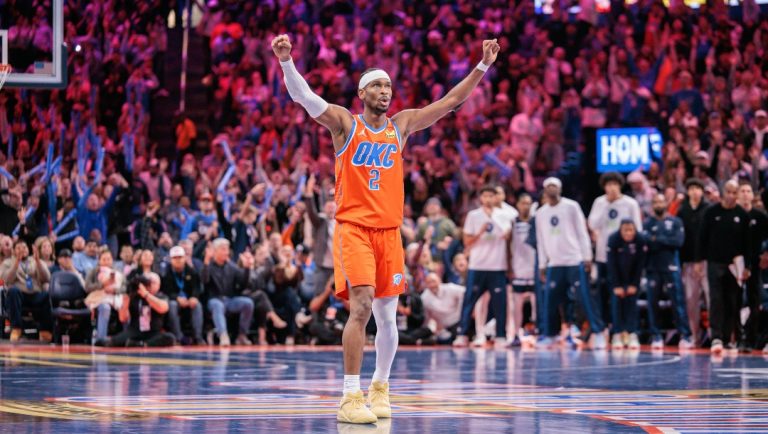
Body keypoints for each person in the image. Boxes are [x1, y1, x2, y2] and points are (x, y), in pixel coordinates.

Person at [272, 33, 500, 423]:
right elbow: (305, 100)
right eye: (377, 85)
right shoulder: (346, 123)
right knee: (360, 307)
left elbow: (449, 103)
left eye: (389, 85)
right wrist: (286, 62)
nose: (385, 91)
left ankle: (380, 386)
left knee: (388, 318)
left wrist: (481, 66)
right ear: (362, 92)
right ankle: (348, 396)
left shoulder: (401, 125)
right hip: (354, 229)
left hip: (389, 232)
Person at [535, 178, 603, 349]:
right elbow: (540, 240)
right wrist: (542, 263)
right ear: (544, 190)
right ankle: (550, 334)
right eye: (549, 186)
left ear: (560, 189)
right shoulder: (540, 213)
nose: (552, 189)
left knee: (583, 297)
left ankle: (598, 331)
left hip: (574, 259)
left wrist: (587, 256)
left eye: (555, 186)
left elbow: (581, 232)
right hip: (554, 263)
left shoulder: (571, 206)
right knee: (550, 300)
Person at [453, 185, 511, 349]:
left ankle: (501, 336)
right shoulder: (473, 216)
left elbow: (508, 239)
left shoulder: (504, 215)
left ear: (496, 198)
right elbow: (466, 242)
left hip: (498, 266)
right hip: (477, 265)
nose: (488, 199)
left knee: (500, 304)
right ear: (480, 198)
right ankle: (462, 335)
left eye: (491, 196)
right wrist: (480, 232)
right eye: (485, 196)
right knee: (469, 301)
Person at [587, 172, 642, 338]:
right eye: (608, 185)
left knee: (623, 295)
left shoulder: (630, 203)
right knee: (602, 294)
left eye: (614, 184)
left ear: (620, 185)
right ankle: (605, 327)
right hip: (603, 255)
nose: (611, 188)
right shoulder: (599, 202)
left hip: (625, 258)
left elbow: (638, 229)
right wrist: (606, 206)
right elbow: (592, 224)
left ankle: (626, 329)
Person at [699, 180, 750, 354]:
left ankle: (728, 338)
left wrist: (746, 267)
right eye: (728, 192)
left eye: (734, 192)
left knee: (732, 301)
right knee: (716, 300)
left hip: (735, 266)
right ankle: (716, 337)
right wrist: (700, 261)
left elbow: (747, 244)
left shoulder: (742, 215)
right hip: (715, 263)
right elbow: (702, 239)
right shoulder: (711, 213)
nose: (731, 196)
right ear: (722, 192)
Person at [644, 194, 694, 351]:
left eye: (661, 201)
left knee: (678, 302)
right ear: (652, 205)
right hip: (652, 267)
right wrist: (665, 240)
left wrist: (656, 239)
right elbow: (646, 242)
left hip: (671, 267)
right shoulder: (647, 223)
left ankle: (685, 335)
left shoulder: (675, 221)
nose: (658, 204)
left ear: (666, 203)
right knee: (653, 303)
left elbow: (678, 242)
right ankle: (656, 336)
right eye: (655, 201)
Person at [95, 273, 175, 347]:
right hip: (134, 331)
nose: (149, 285)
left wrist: (146, 295)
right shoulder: (133, 297)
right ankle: (133, 343)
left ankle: (142, 344)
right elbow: (123, 319)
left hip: (153, 332)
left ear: (159, 285)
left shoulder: (161, 296)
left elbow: (163, 308)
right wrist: (125, 304)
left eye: (153, 282)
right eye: (148, 282)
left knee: (169, 338)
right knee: (111, 342)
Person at [676, 178, 711, 345]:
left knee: (712, 299)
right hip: (688, 262)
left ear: (702, 191)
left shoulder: (709, 209)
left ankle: (714, 336)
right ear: (688, 191)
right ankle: (694, 337)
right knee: (691, 301)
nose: (695, 192)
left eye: (698, 188)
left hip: (707, 261)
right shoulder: (682, 211)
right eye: (692, 188)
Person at [201, 238, 254, 346]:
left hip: (230, 300)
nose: (226, 252)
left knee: (248, 303)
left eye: (227, 249)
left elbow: (243, 285)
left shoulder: (232, 266)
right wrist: (206, 262)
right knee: (218, 305)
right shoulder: (209, 266)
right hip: (214, 300)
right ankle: (223, 335)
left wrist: (247, 268)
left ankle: (242, 335)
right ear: (215, 251)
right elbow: (204, 281)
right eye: (223, 249)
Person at [0, 239, 53, 343]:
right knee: (13, 291)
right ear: (13, 251)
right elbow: (6, 279)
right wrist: (16, 264)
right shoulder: (7, 262)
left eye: (24, 247)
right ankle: (16, 328)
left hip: (34, 294)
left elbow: (46, 278)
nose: (22, 250)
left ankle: (45, 330)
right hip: (19, 295)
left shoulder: (36, 260)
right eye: (18, 248)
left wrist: (38, 262)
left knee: (46, 295)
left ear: (28, 250)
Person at [737, 183, 768, 352]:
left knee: (754, 302)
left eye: (748, 191)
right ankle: (735, 337)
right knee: (734, 302)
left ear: (752, 195)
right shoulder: (732, 213)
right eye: (742, 191)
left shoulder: (760, 216)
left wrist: (766, 254)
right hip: (734, 265)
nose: (745, 194)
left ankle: (750, 339)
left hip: (755, 265)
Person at [606, 219, 647, 350]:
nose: (629, 233)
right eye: (626, 230)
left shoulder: (640, 240)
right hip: (617, 278)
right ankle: (617, 334)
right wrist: (616, 285)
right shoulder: (613, 239)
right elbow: (611, 264)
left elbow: (640, 265)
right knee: (617, 304)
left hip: (632, 278)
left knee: (632, 304)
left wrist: (634, 284)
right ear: (620, 230)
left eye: (631, 230)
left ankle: (631, 333)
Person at [508, 192, 537, 346]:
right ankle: (516, 333)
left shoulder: (536, 222)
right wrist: (510, 265)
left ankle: (537, 332)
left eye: (528, 203)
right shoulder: (513, 222)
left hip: (534, 268)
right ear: (518, 205)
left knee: (536, 303)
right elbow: (509, 246)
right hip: (518, 268)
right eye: (523, 203)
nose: (526, 206)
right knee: (516, 304)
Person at [162, 246, 206, 345]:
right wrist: (177, 298)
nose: (178, 260)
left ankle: (198, 337)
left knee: (197, 305)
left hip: (189, 299)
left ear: (185, 258)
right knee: (172, 305)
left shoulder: (192, 271)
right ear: (170, 259)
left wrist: (194, 297)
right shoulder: (166, 273)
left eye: (180, 257)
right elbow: (166, 291)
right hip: (175, 299)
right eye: (175, 258)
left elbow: (197, 287)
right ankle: (178, 337)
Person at [420, 272, 465, 344]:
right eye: (429, 282)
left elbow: (466, 293)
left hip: (459, 322)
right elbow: (426, 317)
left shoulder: (450, 288)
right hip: (443, 328)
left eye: (433, 281)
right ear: (426, 284)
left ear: (439, 280)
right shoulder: (424, 298)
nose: (432, 285)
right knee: (443, 340)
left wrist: (464, 311)